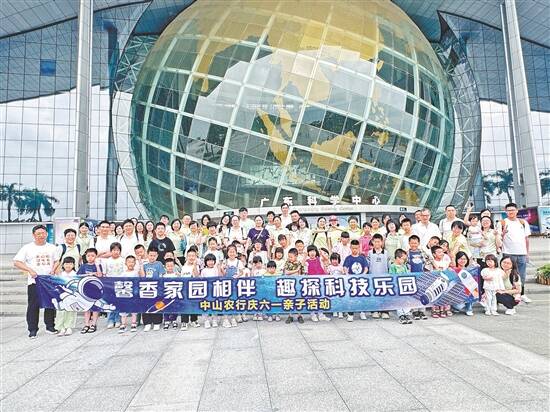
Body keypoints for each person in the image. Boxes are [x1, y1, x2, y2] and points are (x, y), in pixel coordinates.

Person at [14, 224, 60, 338]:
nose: (41, 235)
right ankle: (32, 329)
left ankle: (50, 326)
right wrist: (30, 270)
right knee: (33, 306)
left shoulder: (52, 247)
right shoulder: (27, 248)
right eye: (38, 233)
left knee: (50, 304)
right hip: (34, 281)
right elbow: (17, 262)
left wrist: (53, 269)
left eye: (43, 233)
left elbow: (57, 261)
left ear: (47, 234)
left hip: (49, 281)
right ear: (33, 235)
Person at [497, 202, 531, 303]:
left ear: (517, 211)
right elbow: (498, 239)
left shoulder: (523, 222)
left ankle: (521, 294)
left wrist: (527, 253)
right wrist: (503, 234)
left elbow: (526, 239)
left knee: (522, 275)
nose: (510, 212)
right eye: (508, 210)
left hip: (522, 253)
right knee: (508, 275)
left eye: (512, 210)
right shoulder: (502, 223)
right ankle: (510, 294)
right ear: (505, 212)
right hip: (508, 253)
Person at [77, 248, 103, 334]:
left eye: (93, 256)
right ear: (86, 256)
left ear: (96, 256)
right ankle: (86, 324)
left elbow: (100, 275)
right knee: (86, 307)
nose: (90, 257)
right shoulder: (83, 266)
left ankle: (94, 324)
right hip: (85, 289)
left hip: (95, 289)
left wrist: (97, 266)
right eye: (88, 256)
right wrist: (88, 274)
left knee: (95, 307)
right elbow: (78, 276)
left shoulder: (98, 265)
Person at [344, 239, 369, 322]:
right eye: (353, 248)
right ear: (350, 248)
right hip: (352, 282)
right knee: (351, 298)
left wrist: (364, 274)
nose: (354, 250)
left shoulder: (362, 258)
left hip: (361, 281)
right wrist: (347, 274)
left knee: (362, 297)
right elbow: (345, 267)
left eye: (356, 248)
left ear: (359, 248)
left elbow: (366, 267)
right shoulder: (348, 258)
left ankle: (362, 312)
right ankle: (350, 314)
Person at [367, 234, 390, 319]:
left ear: (382, 242)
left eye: (379, 241)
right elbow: (367, 265)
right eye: (375, 242)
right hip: (373, 277)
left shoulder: (386, 253)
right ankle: (375, 311)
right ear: (372, 242)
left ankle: (384, 311)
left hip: (384, 277)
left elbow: (389, 265)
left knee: (384, 294)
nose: (377, 243)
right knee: (374, 294)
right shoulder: (369, 253)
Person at [142, 246, 165, 331]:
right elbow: (142, 276)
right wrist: (140, 265)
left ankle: (157, 322)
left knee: (157, 304)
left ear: (157, 255)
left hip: (157, 287)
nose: (152, 257)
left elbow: (161, 275)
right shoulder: (145, 265)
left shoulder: (159, 264)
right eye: (150, 255)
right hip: (146, 288)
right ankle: (147, 323)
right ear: (147, 255)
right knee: (146, 305)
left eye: (154, 255)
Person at [103, 242, 125, 328]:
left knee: (119, 302)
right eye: (114, 250)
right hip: (110, 284)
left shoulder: (123, 260)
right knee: (110, 303)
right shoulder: (107, 261)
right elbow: (105, 273)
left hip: (120, 283)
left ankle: (117, 320)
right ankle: (110, 320)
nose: (116, 252)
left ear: (120, 251)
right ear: (111, 251)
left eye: (117, 250)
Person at [55, 256, 78, 336]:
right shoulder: (61, 275)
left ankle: (69, 327)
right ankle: (61, 328)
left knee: (71, 311)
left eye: (70, 264)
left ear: (73, 265)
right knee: (61, 311)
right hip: (62, 296)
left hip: (71, 296)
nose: (68, 265)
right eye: (66, 264)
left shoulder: (75, 275)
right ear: (63, 265)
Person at [407, 235, 428, 320]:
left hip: (422, 276)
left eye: (415, 243)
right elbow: (406, 264)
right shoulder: (407, 253)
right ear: (409, 243)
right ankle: (415, 310)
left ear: (418, 243)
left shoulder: (422, 252)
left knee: (422, 293)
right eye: (412, 243)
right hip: (412, 276)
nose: (413, 245)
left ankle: (422, 310)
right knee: (414, 293)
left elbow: (428, 261)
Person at [180, 248, 201, 330]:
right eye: (189, 256)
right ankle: (184, 322)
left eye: (193, 256)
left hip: (194, 289)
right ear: (186, 257)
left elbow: (197, 276)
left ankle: (194, 320)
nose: (191, 257)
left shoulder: (197, 266)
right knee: (185, 305)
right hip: (185, 289)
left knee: (193, 305)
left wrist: (194, 266)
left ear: (196, 257)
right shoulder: (184, 267)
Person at [390, 249, 412, 325]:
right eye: (403, 259)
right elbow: (392, 276)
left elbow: (407, 275)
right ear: (397, 258)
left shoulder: (404, 266)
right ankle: (401, 315)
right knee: (399, 301)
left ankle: (406, 313)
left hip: (404, 286)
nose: (404, 261)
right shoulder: (392, 266)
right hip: (397, 286)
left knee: (406, 300)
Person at [119, 255, 139, 333]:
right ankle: (123, 324)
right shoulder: (123, 274)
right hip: (125, 294)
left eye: (132, 262)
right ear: (125, 263)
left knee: (134, 309)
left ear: (135, 263)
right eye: (129, 262)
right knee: (123, 310)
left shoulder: (136, 272)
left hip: (134, 294)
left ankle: (133, 323)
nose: (131, 263)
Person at [284, 248, 304, 324]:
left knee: (298, 300)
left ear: (296, 256)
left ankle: (299, 316)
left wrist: (295, 272)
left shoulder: (299, 263)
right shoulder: (287, 263)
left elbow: (300, 274)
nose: (289, 258)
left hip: (297, 284)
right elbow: (286, 272)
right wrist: (296, 271)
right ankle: (290, 316)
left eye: (291, 257)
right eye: (289, 256)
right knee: (289, 300)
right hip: (289, 284)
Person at [162, 258, 180, 330]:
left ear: (174, 266)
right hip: (166, 295)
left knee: (174, 308)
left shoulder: (176, 275)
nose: (170, 267)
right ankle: (166, 321)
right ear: (165, 267)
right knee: (165, 307)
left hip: (175, 294)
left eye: (171, 266)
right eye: (168, 266)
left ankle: (174, 320)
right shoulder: (163, 276)